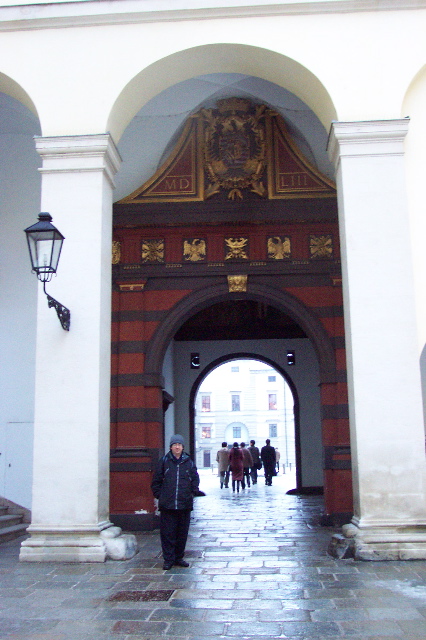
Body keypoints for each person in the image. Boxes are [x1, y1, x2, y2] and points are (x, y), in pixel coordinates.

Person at [151, 434, 200, 570]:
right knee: (168, 534)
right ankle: (168, 559)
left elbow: (195, 478)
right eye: (175, 445)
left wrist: (192, 492)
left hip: (184, 504)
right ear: (171, 447)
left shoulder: (188, 462)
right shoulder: (164, 461)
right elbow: (156, 481)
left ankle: (179, 557)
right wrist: (161, 496)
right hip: (168, 505)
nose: (177, 447)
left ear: (182, 447)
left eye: (179, 445)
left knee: (182, 533)